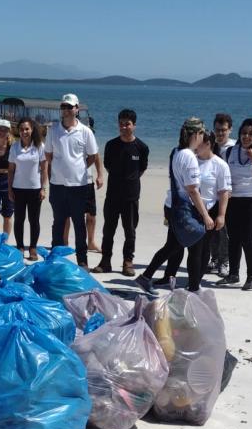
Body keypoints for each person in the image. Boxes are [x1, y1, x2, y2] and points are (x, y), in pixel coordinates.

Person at [135, 118, 214, 293]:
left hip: (172, 205)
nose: (203, 137)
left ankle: (146, 277)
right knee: (195, 247)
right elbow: (192, 190)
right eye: (202, 133)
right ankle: (193, 289)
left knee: (173, 246)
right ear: (196, 134)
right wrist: (206, 215)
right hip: (184, 209)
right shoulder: (189, 157)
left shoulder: (177, 151)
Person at [216, 118, 252, 291]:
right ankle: (233, 274)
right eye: (243, 133)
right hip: (234, 201)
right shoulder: (230, 152)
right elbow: (223, 175)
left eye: (250, 134)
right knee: (233, 238)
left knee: (249, 239)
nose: (246, 137)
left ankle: (251, 276)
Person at [92, 109, 149, 277]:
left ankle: (127, 262)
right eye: (121, 124)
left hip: (131, 196)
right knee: (108, 230)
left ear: (134, 126)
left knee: (130, 231)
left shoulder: (141, 147)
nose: (124, 127)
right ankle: (105, 261)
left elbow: (142, 168)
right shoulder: (111, 145)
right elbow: (108, 165)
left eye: (127, 124)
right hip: (113, 195)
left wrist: (130, 181)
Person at [45, 93, 99, 267]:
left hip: (79, 185)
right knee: (58, 223)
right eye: (64, 106)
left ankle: (82, 261)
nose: (66, 110)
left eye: (70, 107)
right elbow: (48, 155)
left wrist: (79, 167)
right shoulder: (53, 130)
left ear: (77, 109)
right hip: (58, 185)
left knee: (79, 224)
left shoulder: (85, 131)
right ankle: (55, 260)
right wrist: (60, 169)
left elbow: (93, 155)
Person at [7, 117, 48, 261]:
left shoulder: (39, 147)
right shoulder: (14, 147)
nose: (24, 132)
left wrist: (43, 188)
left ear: (32, 130)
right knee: (19, 219)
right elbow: (11, 170)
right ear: (18, 131)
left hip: (35, 189)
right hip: (18, 189)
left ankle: (32, 248)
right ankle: (19, 247)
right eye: (21, 129)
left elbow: (44, 169)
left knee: (34, 220)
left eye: (27, 129)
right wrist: (10, 189)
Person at [209, 113, 235, 276]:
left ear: (230, 130)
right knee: (211, 229)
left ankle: (224, 262)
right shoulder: (211, 145)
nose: (220, 133)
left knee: (224, 231)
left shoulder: (235, 147)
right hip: (212, 195)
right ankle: (215, 258)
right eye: (218, 130)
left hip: (228, 195)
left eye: (223, 130)